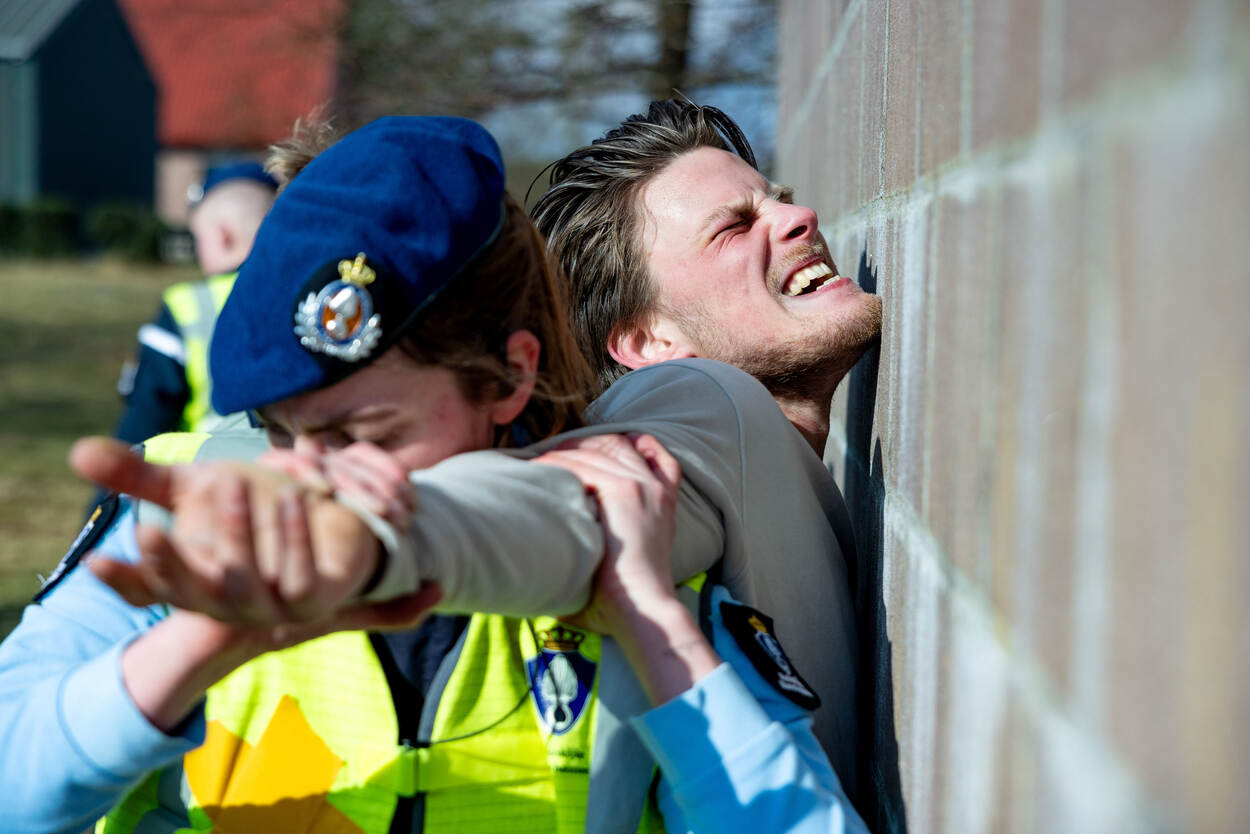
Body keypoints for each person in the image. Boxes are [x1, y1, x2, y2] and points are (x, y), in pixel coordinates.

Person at [0, 116, 864, 832]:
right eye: (283, 431)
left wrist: (656, 632)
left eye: (364, 433)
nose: (314, 476)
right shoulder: (184, 511)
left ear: (506, 378)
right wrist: (205, 638)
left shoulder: (621, 533)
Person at [530, 97, 883, 454]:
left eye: (782, 198)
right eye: (734, 227)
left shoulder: (773, 490)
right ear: (647, 340)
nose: (800, 215)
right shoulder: (651, 482)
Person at [112, 162, 278, 445]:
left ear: (222, 234)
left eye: (198, 237)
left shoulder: (186, 306)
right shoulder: (312, 294)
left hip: (210, 478)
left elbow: (145, 419)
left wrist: (108, 486)